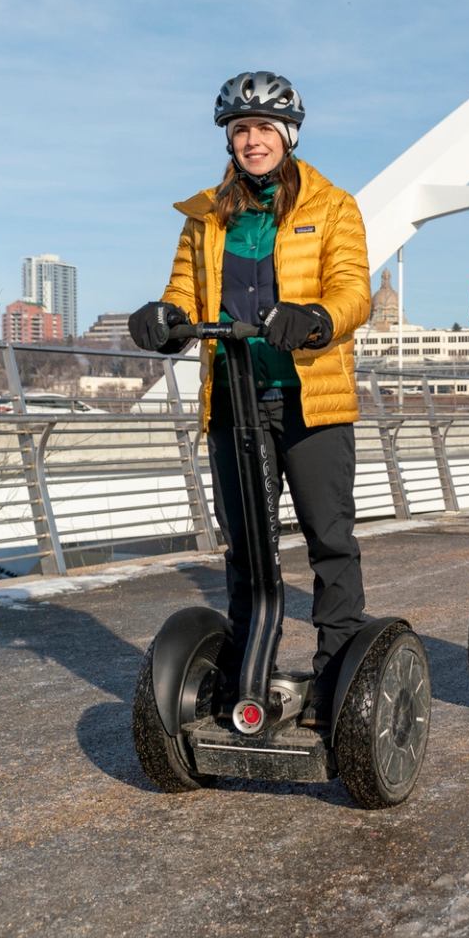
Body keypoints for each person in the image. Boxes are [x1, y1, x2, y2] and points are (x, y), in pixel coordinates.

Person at [128, 71, 371, 722]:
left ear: (287, 136)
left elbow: (353, 290)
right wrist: (163, 318)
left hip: (308, 398)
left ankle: (339, 681)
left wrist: (314, 317)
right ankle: (244, 677)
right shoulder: (205, 216)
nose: (252, 140)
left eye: (264, 128)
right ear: (229, 140)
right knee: (248, 547)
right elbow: (185, 291)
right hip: (235, 398)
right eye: (241, 130)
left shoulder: (332, 205)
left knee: (330, 541)